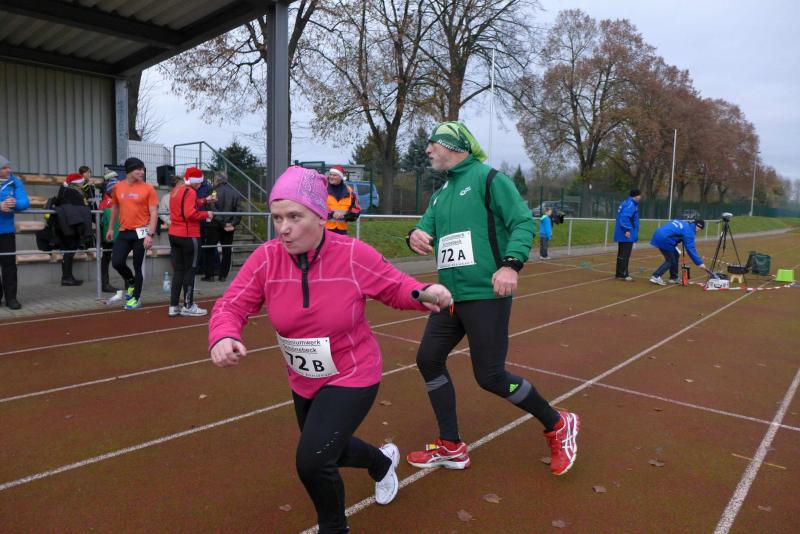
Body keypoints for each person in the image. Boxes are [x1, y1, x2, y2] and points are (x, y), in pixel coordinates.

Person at [209, 166, 453, 534]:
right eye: (277, 218)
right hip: (304, 377)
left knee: (312, 461)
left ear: (321, 217)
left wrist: (424, 293)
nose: (283, 228)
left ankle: (334, 528)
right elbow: (231, 305)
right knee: (329, 450)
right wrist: (223, 335)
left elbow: (395, 287)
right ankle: (381, 463)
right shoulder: (266, 259)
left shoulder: (353, 255)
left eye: (295, 217)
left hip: (353, 372)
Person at [405, 121, 580, 476]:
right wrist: (415, 235)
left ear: (454, 146)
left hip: (486, 293)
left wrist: (511, 265)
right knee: (428, 359)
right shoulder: (440, 194)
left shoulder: (490, 180)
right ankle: (451, 445)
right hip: (449, 297)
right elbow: (425, 227)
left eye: (433, 144)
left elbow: (522, 222)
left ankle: (558, 423)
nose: (427, 150)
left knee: (491, 376)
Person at [107, 157, 158, 310]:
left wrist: (150, 234)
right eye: (139, 169)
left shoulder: (148, 188)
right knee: (117, 262)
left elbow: (154, 213)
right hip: (124, 232)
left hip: (141, 233)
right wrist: (110, 228)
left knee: (138, 266)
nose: (142, 172)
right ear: (129, 170)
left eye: (143, 169)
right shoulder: (118, 187)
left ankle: (136, 298)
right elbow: (115, 208)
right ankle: (131, 282)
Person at [168, 167, 213, 317]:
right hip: (189, 234)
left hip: (174, 233)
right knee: (190, 270)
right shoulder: (191, 191)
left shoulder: (177, 189)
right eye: (199, 182)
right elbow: (189, 213)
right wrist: (207, 213)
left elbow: (186, 205)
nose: (200, 185)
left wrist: (205, 200)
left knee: (179, 271)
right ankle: (188, 305)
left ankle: (174, 306)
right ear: (194, 181)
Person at [0, 155, 30, 309]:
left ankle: (11, 298)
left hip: (6, 231)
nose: (8, 170)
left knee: (9, 265)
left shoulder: (15, 182)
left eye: (8, 167)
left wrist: (14, 203)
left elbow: (25, 202)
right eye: (4, 168)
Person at [54, 173, 92, 286]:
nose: (82, 184)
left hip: (66, 224)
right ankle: (66, 277)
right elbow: (80, 208)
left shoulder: (66, 190)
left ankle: (67, 277)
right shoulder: (73, 192)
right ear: (76, 183)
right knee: (69, 251)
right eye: (81, 182)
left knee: (68, 251)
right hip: (71, 225)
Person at [204, 171, 240, 282]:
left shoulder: (213, 191)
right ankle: (223, 275)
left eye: (214, 179)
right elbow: (238, 211)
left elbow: (211, 208)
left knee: (209, 249)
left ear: (217, 180)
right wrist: (232, 223)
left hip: (214, 225)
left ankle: (210, 275)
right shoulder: (235, 192)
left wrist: (222, 222)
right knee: (227, 250)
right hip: (229, 226)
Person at [649, 217, 707, 286]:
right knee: (670, 260)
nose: (698, 231)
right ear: (699, 227)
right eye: (700, 229)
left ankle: (674, 277)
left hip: (659, 234)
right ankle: (656, 276)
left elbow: (674, 228)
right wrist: (699, 263)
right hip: (665, 239)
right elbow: (690, 249)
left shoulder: (685, 223)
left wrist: (679, 238)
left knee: (675, 254)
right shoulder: (690, 232)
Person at [98, 171, 120, 293]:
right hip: (109, 234)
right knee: (107, 258)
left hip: (115, 232)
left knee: (114, 258)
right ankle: (105, 284)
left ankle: (128, 281)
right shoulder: (107, 201)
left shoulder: (109, 198)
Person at [613, 189, 641, 281]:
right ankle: (623, 274)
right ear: (636, 196)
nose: (640, 197)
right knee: (625, 254)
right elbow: (624, 217)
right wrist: (627, 230)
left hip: (622, 233)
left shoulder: (627, 203)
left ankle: (619, 273)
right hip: (626, 233)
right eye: (639, 195)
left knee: (621, 254)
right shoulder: (630, 204)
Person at [325, 165, 361, 235]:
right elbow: (316, 207)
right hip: (324, 230)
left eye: (334, 175)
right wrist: (331, 214)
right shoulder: (322, 189)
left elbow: (357, 210)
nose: (331, 177)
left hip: (342, 231)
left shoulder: (350, 191)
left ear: (341, 177)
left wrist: (346, 216)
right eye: (330, 174)